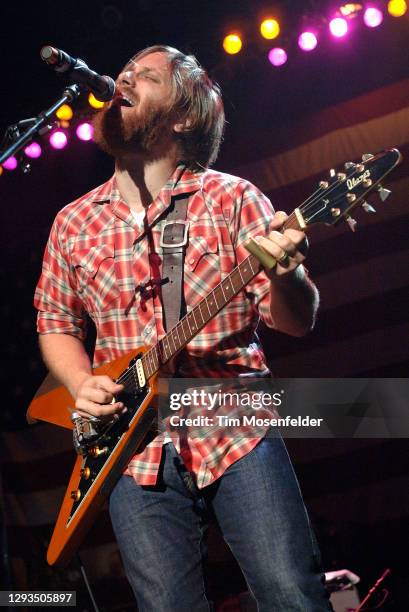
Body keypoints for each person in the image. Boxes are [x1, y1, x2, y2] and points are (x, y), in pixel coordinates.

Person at [34, 45, 332, 611]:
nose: (123, 78)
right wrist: (78, 385)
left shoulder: (232, 198)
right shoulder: (72, 222)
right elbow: (55, 322)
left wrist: (289, 275)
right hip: (132, 451)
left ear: (185, 115)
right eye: (124, 71)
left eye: (145, 76)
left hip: (235, 431)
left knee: (290, 592)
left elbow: (297, 321)